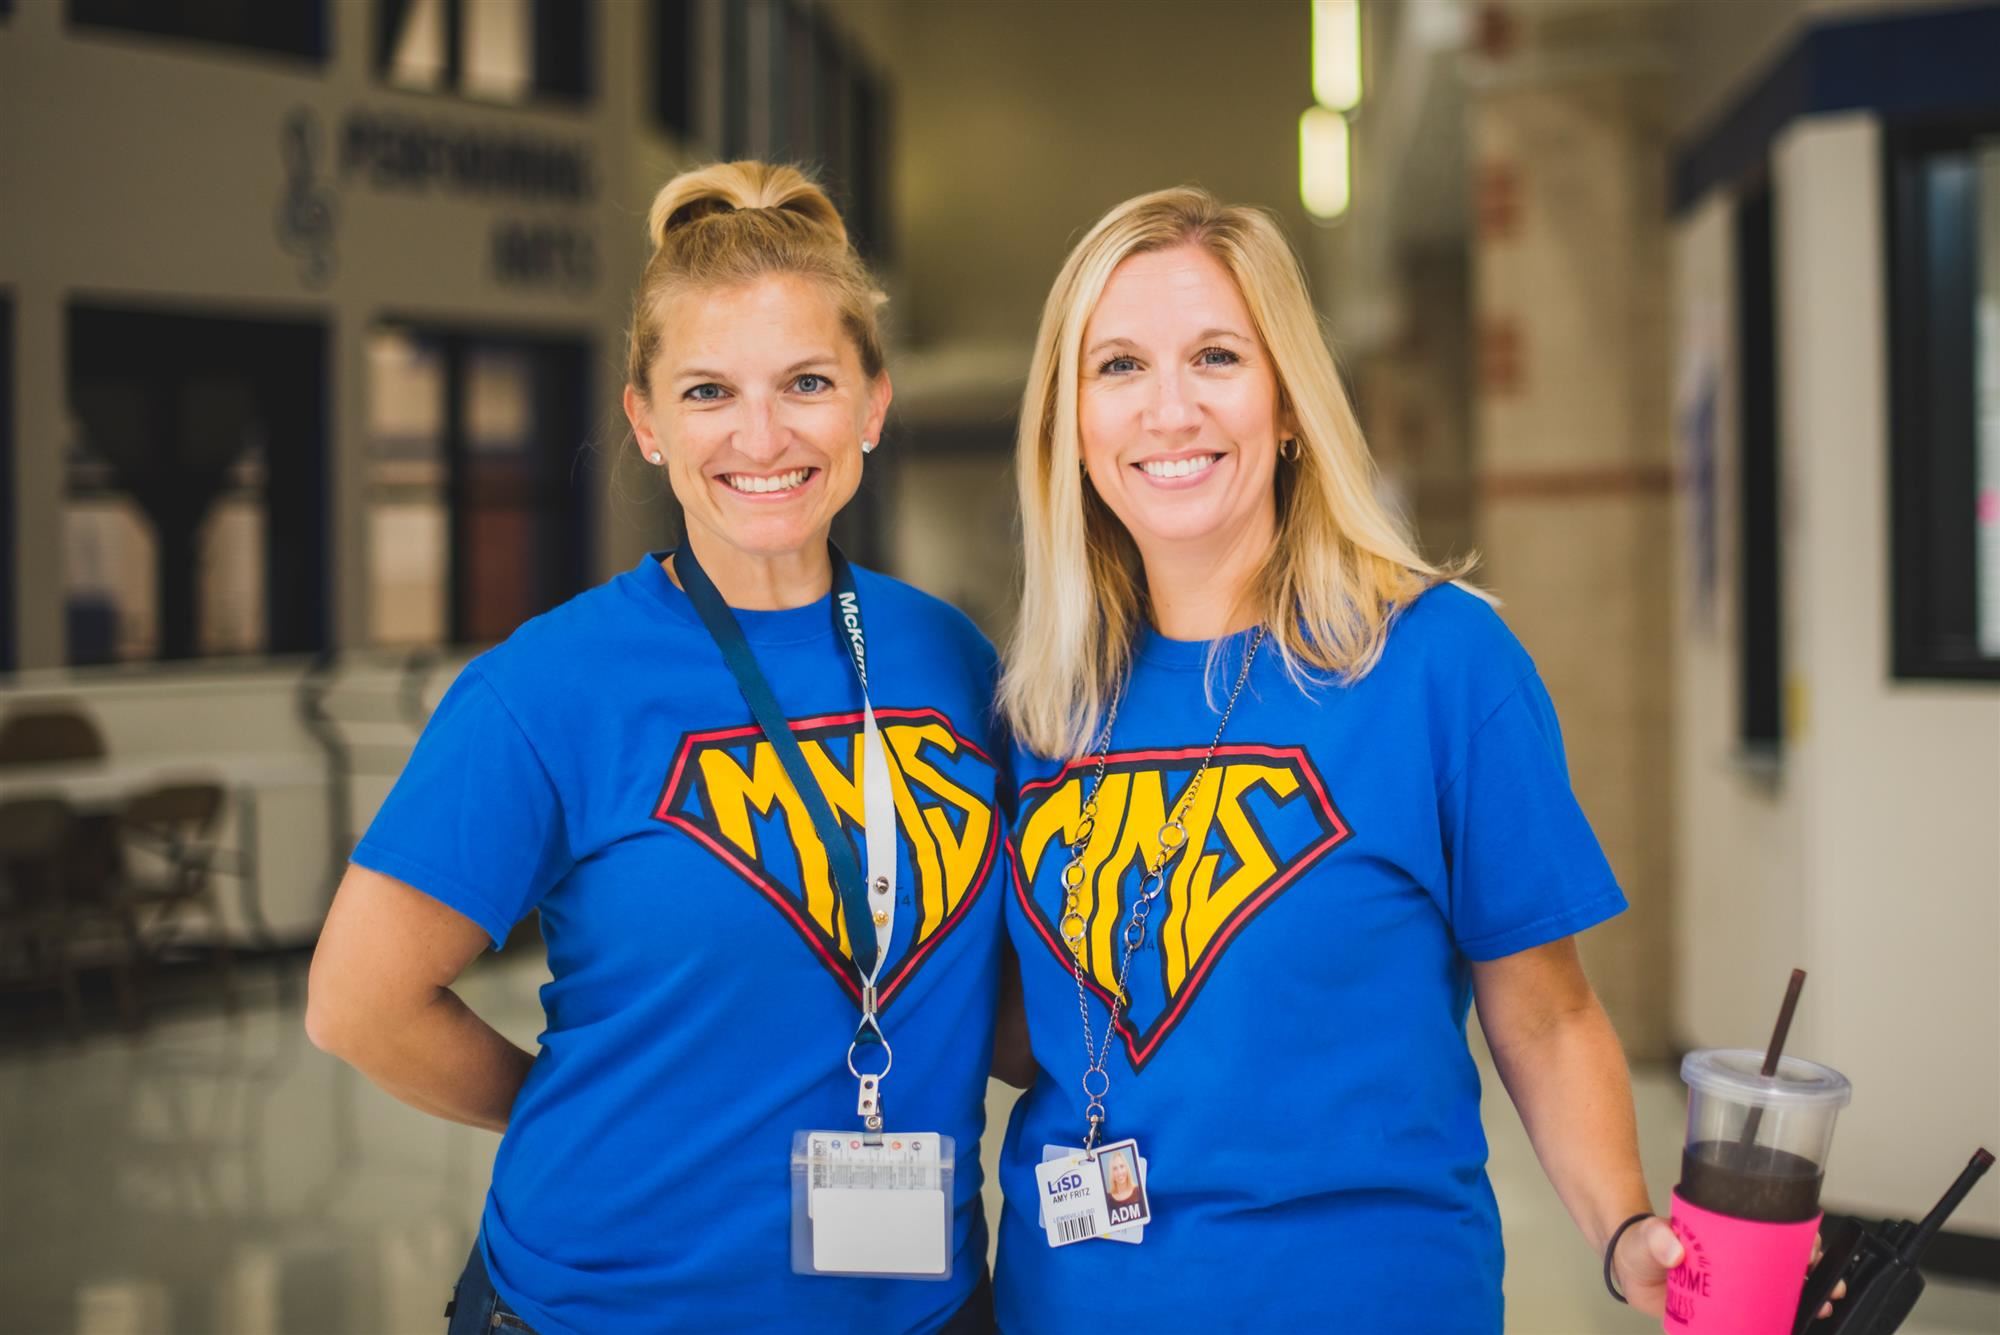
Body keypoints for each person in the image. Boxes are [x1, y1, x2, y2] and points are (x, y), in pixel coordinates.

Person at [307, 161, 1006, 1335]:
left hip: (920, 1303)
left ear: (872, 405)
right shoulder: (547, 688)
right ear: (643, 421)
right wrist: (580, 1110)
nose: (761, 435)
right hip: (610, 1305)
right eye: (706, 392)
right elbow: (357, 1004)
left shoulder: (947, 657)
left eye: (808, 382)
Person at [989, 185, 1680, 1333]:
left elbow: (1547, 1016)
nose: (1167, 409)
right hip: (1072, 1304)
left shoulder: (1437, 665)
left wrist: (1620, 1234)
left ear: (1289, 402)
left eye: (1214, 356)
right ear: (1068, 422)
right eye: (1116, 367)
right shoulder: (1036, 709)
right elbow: (1024, 1025)